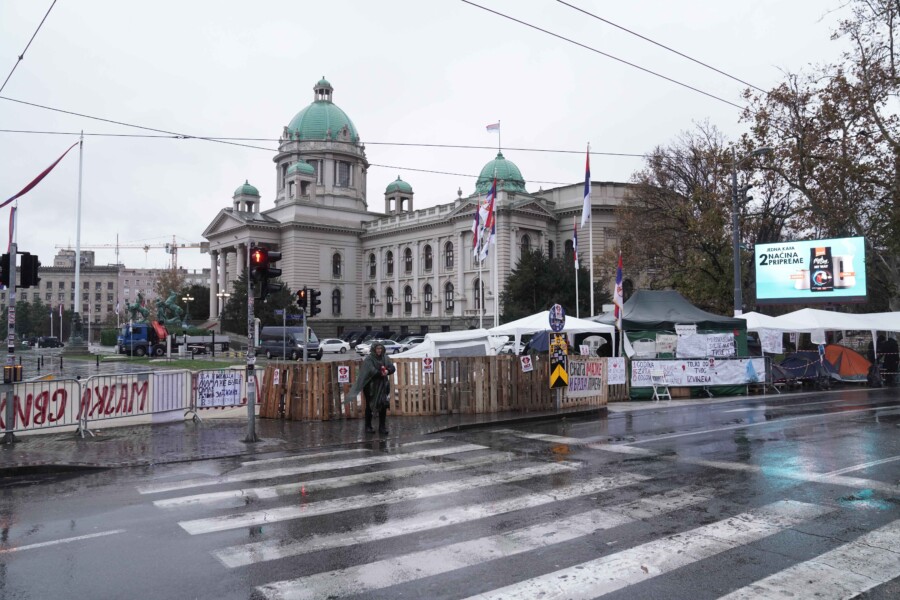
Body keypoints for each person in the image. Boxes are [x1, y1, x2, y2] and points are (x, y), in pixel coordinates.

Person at [347, 343, 395, 434]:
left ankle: (382, 427)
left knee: (383, 405)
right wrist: (382, 373)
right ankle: (368, 426)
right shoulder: (369, 359)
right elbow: (371, 371)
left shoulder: (385, 357)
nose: (379, 350)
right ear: (373, 349)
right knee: (370, 406)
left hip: (382, 385)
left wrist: (388, 371)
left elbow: (392, 367)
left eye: (380, 348)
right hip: (370, 386)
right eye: (377, 349)